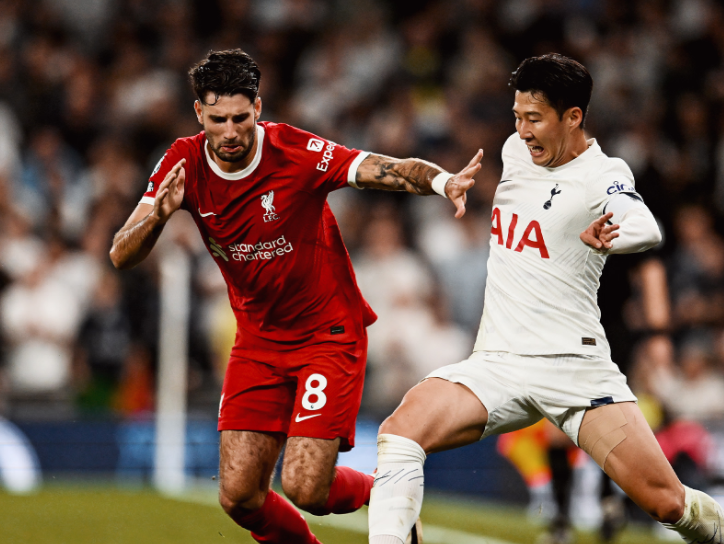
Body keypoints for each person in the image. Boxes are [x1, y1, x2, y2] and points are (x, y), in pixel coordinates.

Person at [367, 53, 724, 544]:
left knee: (668, 503)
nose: (522, 131)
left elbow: (645, 227)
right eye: (517, 116)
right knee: (400, 432)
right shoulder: (516, 151)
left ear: (573, 117)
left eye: (535, 118)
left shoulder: (603, 174)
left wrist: (613, 237)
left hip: (573, 368)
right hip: (497, 362)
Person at [109, 49, 482, 544]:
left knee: (306, 486)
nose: (230, 131)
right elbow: (120, 253)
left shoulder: (296, 152)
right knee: (239, 496)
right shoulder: (183, 161)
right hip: (257, 340)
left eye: (240, 118)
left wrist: (442, 181)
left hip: (327, 334)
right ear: (199, 113)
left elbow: (381, 167)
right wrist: (158, 216)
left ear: (258, 109)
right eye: (218, 120)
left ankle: (386, 493)